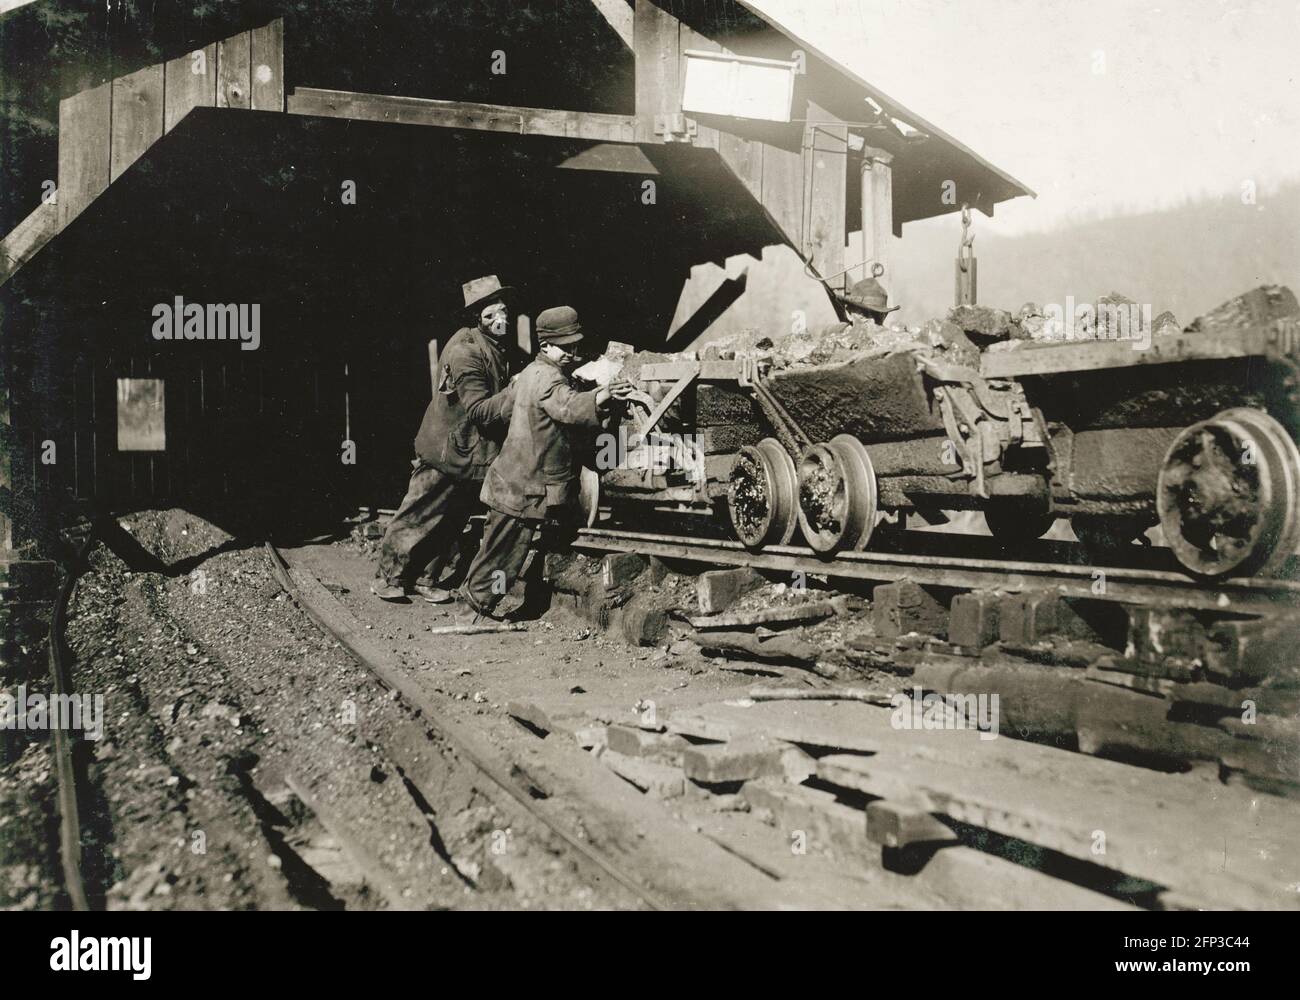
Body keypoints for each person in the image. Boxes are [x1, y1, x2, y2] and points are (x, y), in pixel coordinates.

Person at [455, 305, 631, 622]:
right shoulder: (549, 379)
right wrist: (602, 396)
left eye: (575, 345)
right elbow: (567, 407)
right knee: (504, 555)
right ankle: (473, 612)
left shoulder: (530, 374)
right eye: (565, 347)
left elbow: (509, 409)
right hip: (523, 486)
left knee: (496, 548)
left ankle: (473, 606)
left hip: (511, 479)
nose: (572, 352)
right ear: (545, 345)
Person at [371, 275, 517, 603]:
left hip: (470, 453)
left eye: (504, 310)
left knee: (451, 521)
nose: (502, 318)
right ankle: (388, 577)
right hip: (445, 450)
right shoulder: (466, 350)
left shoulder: (493, 346)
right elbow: (480, 410)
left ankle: (425, 578)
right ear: (476, 315)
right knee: (418, 514)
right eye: (493, 312)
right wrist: (517, 391)